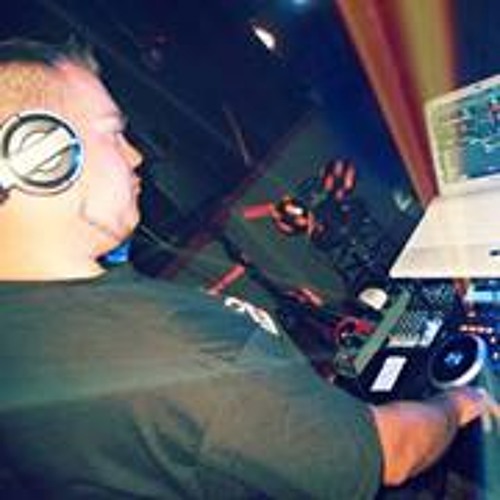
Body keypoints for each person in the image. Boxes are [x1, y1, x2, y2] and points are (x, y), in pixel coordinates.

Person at [0, 37, 491, 500]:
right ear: (39, 156)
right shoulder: (171, 348)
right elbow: (391, 453)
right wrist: (461, 401)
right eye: (113, 131)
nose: (136, 155)